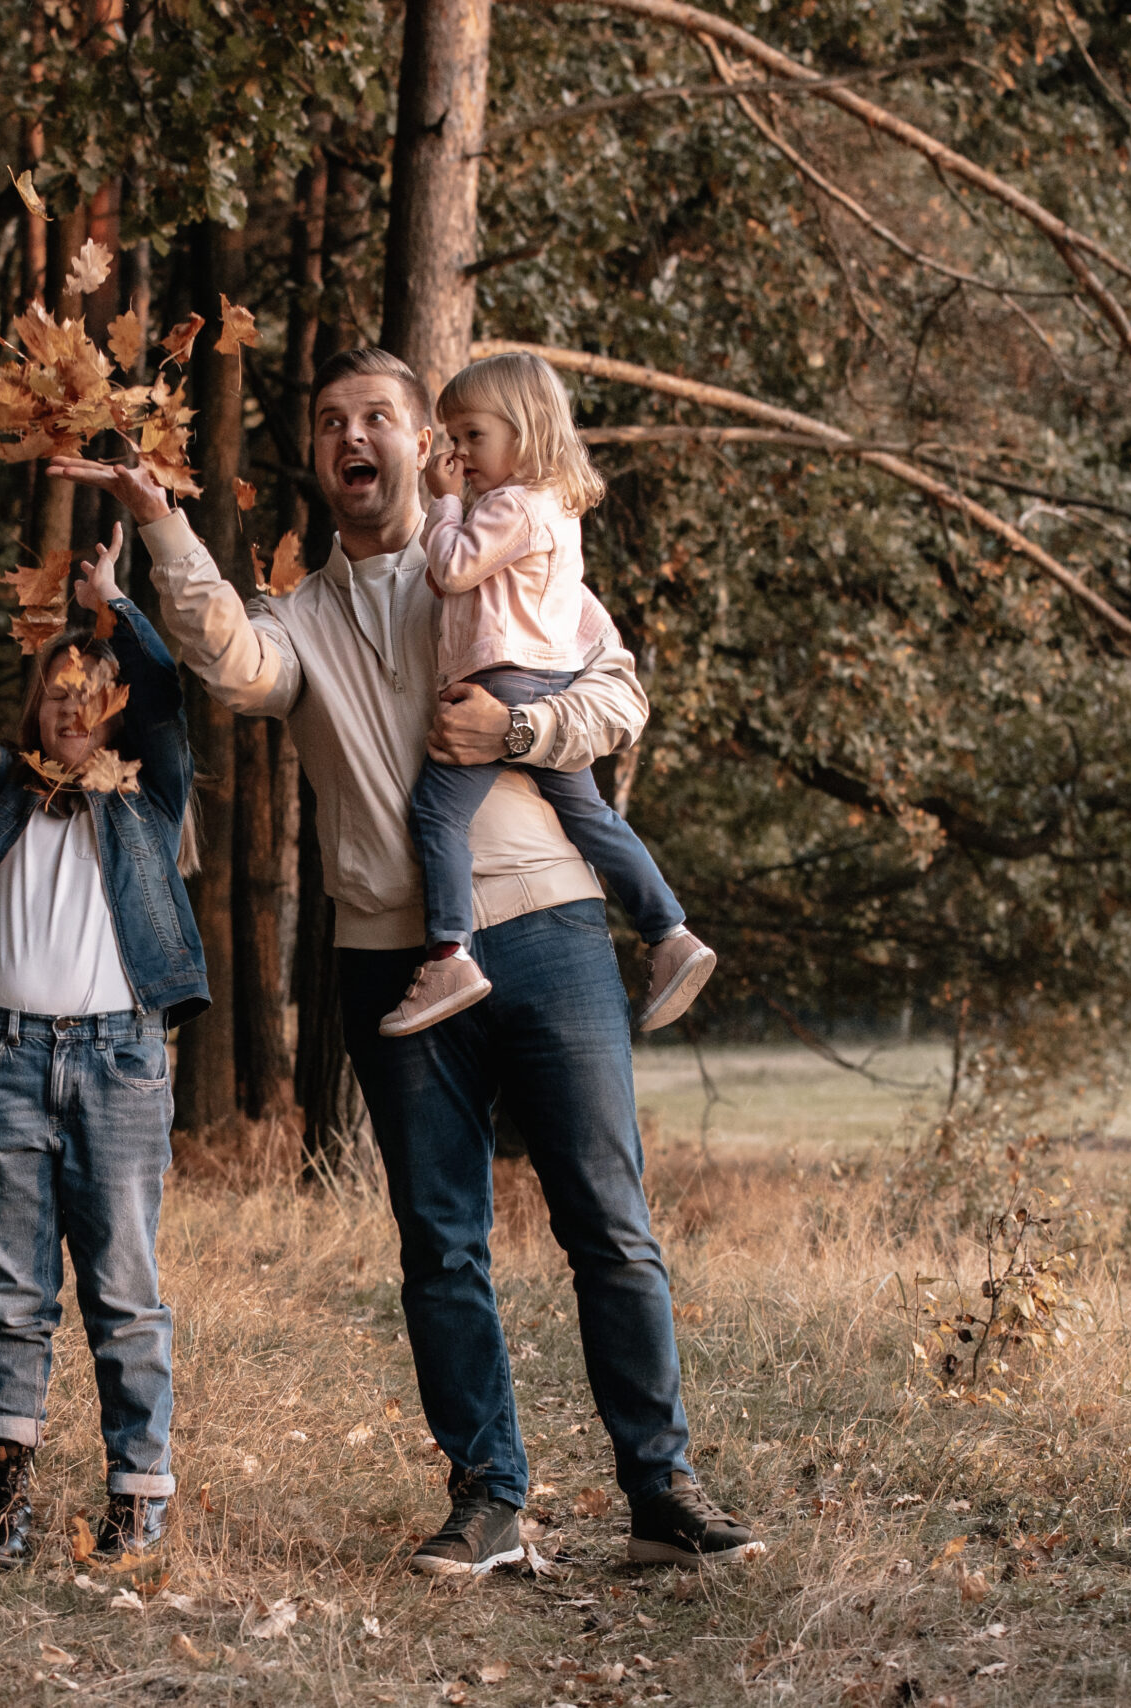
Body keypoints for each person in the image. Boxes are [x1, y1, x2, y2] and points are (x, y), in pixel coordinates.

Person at [50, 346, 760, 1574]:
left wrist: (520, 724)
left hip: (546, 928)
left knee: (609, 1222)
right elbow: (228, 662)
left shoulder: (504, 557)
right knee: (439, 1241)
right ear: (320, 458)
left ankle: (661, 1491)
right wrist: (162, 524)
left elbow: (618, 695)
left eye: (375, 414)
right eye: (329, 421)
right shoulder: (299, 618)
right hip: (390, 959)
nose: (350, 435)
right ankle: (488, 1497)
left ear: (425, 441)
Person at [0, 528, 206, 1571]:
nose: (71, 706)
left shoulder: (149, 798)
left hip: (119, 1065)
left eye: (91, 693)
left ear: (114, 710)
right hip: (2, 1060)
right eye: (54, 693)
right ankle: (2, 1510)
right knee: (9, 1292)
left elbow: (168, 696)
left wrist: (113, 605)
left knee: (122, 1288)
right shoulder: (5, 790)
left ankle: (137, 1500)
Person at [385, 350, 715, 1038]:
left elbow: (451, 568)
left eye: (473, 435)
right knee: (589, 818)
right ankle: (669, 932)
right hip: (544, 680)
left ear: (525, 429)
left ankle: (449, 957)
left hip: (501, 679)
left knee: (438, 814)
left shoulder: (513, 505)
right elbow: (460, 580)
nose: (459, 453)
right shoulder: (546, 510)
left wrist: (442, 502)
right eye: (453, 438)